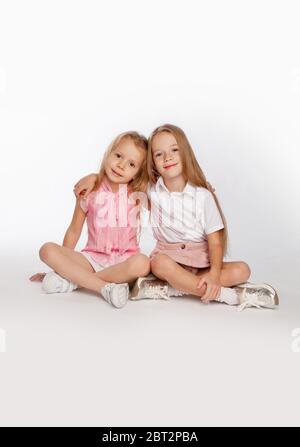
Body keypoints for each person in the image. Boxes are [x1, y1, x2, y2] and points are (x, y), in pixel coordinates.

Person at [73, 124, 279, 311]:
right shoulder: (150, 190)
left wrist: (214, 274)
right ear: (153, 164)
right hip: (168, 260)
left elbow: (215, 242)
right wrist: (93, 177)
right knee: (159, 263)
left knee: (243, 270)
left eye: (174, 150)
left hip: (201, 263)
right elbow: (122, 177)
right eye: (159, 154)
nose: (167, 158)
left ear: (186, 154)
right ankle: (228, 295)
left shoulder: (203, 195)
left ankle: (172, 288)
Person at [30, 131, 151, 308]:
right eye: (118, 156)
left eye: (132, 164)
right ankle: (103, 286)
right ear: (109, 154)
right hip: (91, 260)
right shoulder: (89, 190)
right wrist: (61, 265)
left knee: (143, 263)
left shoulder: (139, 194)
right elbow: (74, 230)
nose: (121, 165)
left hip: (125, 264)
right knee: (46, 250)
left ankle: (76, 281)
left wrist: (67, 272)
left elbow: (163, 186)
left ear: (138, 172)